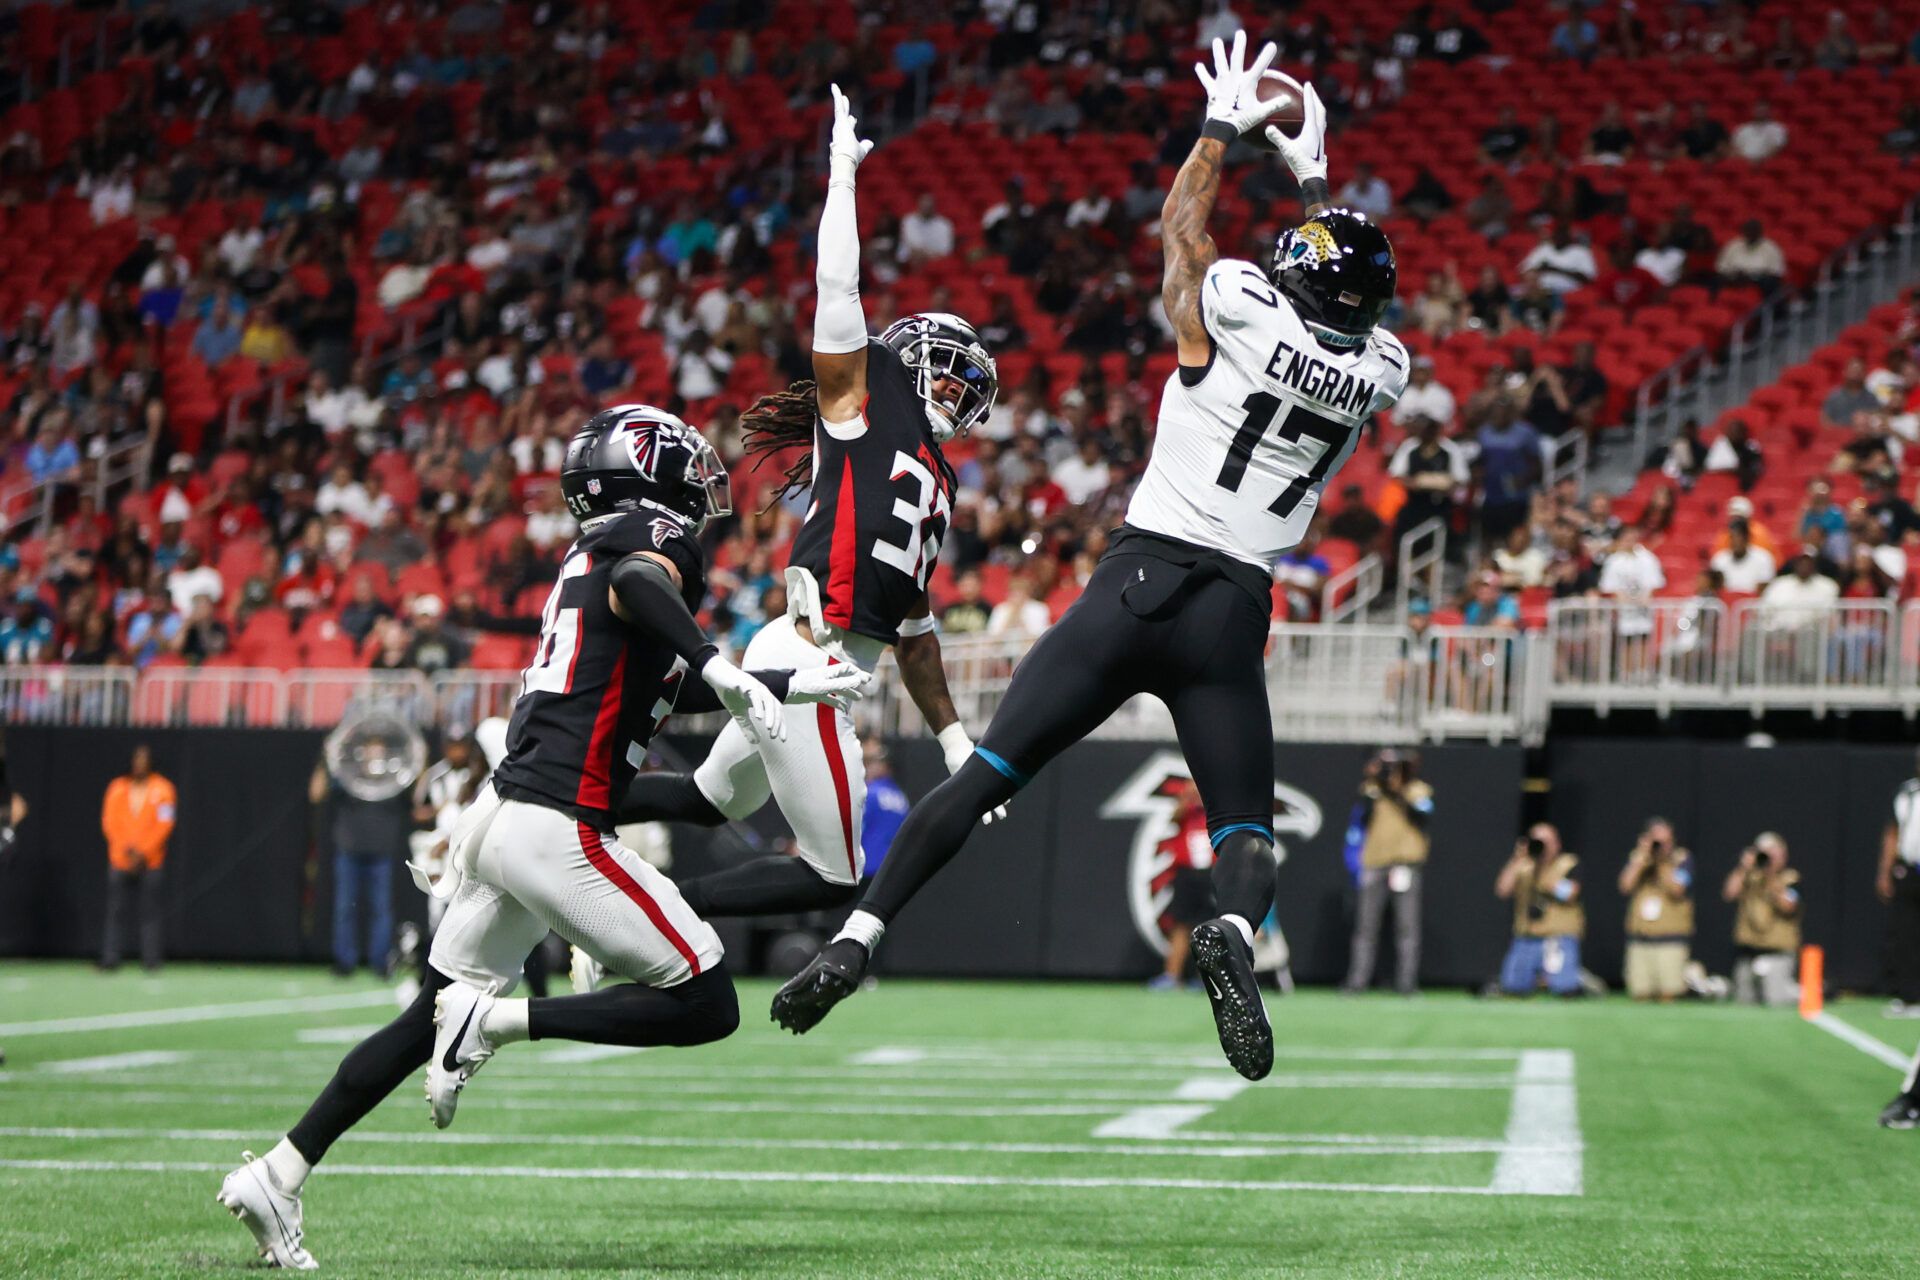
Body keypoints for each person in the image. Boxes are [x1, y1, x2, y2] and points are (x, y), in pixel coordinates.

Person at [771, 36, 1408, 1084]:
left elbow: (1181, 233)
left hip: (1138, 582)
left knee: (980, 778)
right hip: (1232, 614)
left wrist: (1223, 132)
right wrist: (1315, 178)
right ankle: (1236, 936)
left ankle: (858, 938)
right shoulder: (1382, 369)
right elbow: (1334, 295)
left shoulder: (1239, 308)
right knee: (1248, 824)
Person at [217, 406, 868, 1268]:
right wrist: (721, 662)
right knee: (708, 1003)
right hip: (553, 828)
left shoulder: (588, 559)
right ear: (645, 476)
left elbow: (669, 677)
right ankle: (498, 1022)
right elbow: (646, 587)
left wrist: (782, 681)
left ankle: (281, 1170)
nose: (701, 480)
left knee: (423, 1019)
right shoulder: (650, 540)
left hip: (502, 823)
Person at [615, 85, 1001, 923]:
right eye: (942, 370)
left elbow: (916, 629)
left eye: (962, 384)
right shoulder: (864, 403)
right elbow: (837, 282)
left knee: (707, 803)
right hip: (812, 664)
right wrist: (843, 179)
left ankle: (559, 821)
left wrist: (957, 744)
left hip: (812, 658)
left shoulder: (936, 477)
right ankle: (622, 911)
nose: (952, 390)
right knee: (837, 879)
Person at [1341, 750, 1433, 996]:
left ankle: (1407, 984)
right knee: (1366, 927)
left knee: (1407, 927)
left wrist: (1398, 789)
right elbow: (1364, 815)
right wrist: (1376, 782)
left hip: (1405, 864)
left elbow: (1423, 816)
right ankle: (1357, 982)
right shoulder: (1372, 789)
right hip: (1375, 862)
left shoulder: (1417, 790)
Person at [99, 744, 177, 972]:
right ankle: (110, 958)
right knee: (116, 910)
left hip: (150, 861)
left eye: (144, 759)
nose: (140, 763)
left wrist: (143, 852)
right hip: (120, 859)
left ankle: (151, 960)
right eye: (137, 758)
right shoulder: (117, 788)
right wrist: (127, 850)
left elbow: (165, 824)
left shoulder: (164, 789)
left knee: (150, 911)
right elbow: (109, 823)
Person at [1495, 824, 1584, 996]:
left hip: (1557, 939)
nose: (1542, 847)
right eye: (1537, 842)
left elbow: (1570, 894)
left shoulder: (1567, 864)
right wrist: (1516, 860)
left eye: (1547, 842)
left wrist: (1544, 874)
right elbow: (1502, 890)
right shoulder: (1522, 866)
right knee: (1513, 988)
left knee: (1566, 989)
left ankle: (1580, 978)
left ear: (1557, 844)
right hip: (1527, 938)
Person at [1617, 818, 1693, 1002]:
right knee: (1639, 993)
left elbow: (1677, 889)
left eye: (1664, 841)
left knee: (1668, 993)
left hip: (1670, 939)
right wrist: (1641, 859)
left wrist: (1661, 862)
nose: (1660, 846)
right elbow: (1625, 886)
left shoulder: (1682, 859)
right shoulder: (1639, 859)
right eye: (1656, 840)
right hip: (1640, 938)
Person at [1723, 832, 1802, 1007]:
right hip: (1748, 952)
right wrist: (1743, 867)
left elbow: (1788, 906)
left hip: (1777, 953)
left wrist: (1770, 877)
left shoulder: (1790, 878)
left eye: (1773, 853)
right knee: (1744, 1001)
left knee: (1777, 1000)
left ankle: (1804, 991)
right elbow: (1729, 894)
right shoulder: (1749, 877)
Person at [1151, 779, 1215, 991]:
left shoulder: (1216, 813)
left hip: (1211, 876)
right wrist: (1187, 796)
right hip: (1187, 876)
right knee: (1181, 926)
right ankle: (1172, 975)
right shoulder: (1186, 814)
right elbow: (1174, 816)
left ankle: (1205, 978)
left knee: (1211, 929)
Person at [1879, 748, 1920, 1015]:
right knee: (1906, 935)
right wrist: (1885, 871)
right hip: (1910, 871)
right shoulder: (1907, 793)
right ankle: (1909, 996)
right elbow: (1892, 834)